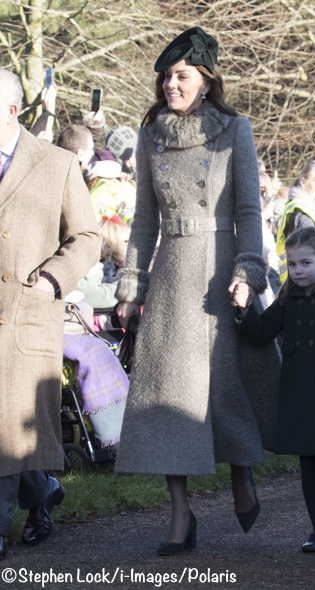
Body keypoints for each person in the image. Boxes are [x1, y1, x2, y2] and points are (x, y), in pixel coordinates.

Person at [113, 26, 280, 555]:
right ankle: (180, 513)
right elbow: (143, 222)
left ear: (206, 82)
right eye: (165, 77)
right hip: (169, 277)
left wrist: (249, 271)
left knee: (224, 387)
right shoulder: (150, 137)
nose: (170, 85)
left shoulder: (235, 131)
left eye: (181, 76)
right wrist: (131, 285)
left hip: (219, 269)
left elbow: (251, 211)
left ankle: (239, 472)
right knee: (167, 397)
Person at [0, 67, 101, 560]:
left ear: (12, 111)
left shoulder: (56, 163)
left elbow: (87, 237)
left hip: (26, 315)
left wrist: (50, 282)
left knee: (9, 428)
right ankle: (44, 494)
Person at [231, 226, 315, 553]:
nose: (299, 270)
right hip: (299, 391)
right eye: (293, 264)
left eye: (307, 263)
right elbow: (262, 332)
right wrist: (245, 310)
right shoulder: (289, 298)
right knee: (307, 465)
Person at [275, 159, 315, 282]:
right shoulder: (299, 208)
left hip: (302, 275)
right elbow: (310, 243)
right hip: (299, 278)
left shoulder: (313, 206)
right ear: (303, 182)